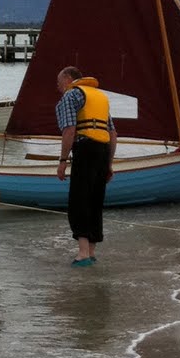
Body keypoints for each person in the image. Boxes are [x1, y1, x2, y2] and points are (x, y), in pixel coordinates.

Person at [55, 67, 116, 266]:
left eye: (59, 82)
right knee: (96, 200)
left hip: (85, 148)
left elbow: (70, 130)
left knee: (79, 200)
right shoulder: (100, 96)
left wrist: (63, 161)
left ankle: (82, 254)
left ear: (68, 79)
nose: (58, 87)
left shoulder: (71, 95)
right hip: (103, 149)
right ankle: (91, 251)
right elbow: (113, 134)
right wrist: (109, 164)